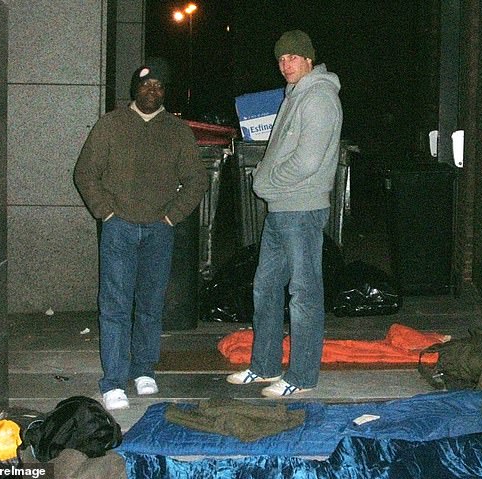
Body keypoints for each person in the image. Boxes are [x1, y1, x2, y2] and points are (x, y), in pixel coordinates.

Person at [74, 62, 208, 410]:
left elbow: (197, 179)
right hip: (118, 228)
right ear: (135, 88)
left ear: (165, 92)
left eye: (159, 86)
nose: (153, 91)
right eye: (147, 85)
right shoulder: (112, 125)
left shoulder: (177, 130)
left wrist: (171, 216)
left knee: (150, 304)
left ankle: (144, 368)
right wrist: (106, 212)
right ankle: (114, 381)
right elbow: (85, 173)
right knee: (115, 306)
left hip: (158, 231)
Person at [227, 30, 343, 397]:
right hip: (282, 210)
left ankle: (302, 377)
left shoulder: (319, 97)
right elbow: (279, 150)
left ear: (309, 60)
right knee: (265, 287)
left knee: (304, 294)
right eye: (281, 59)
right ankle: (264, 366)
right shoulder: (294, 96)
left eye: (293, 57)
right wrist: (269, 183)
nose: (286, 64)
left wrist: (267, 183)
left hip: (302, 209)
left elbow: (307, 161)